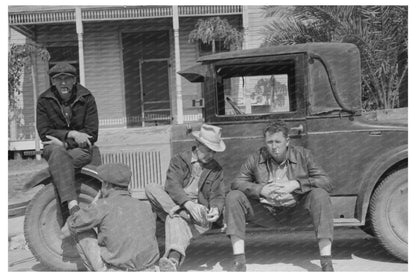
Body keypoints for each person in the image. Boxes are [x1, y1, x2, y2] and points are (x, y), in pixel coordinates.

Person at [225, 120, 334, 271]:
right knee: (233, 196)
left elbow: (327, 182)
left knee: (320, 195)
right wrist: (261, 189)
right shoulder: (255, 158)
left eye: (278, 141)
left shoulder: (303, 155)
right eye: (270, 142)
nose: (274, 146)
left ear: (287, 141)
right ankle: (239, 262)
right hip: (266, 212)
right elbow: (236, 183)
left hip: (296, 211)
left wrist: (296, 184)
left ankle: (326, 262)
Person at [145, 124, 227, 271]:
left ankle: (173, 261)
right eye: (208, 150)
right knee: (151, 187)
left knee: (173, 217)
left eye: (214, 151)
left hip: (199, 216)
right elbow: (172, 186)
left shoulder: (216, 169)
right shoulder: (179, 160)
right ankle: (182, 215)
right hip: (180, 206)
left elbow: (218, 195)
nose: (211, 155)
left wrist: (215, 209)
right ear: (198, 144)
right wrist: (188, 205)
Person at [36, 62, 99, 230]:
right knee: (56, 153)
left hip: (80, 150)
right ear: (53, 82)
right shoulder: (44, 100)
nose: (63, 83)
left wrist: (64, 143)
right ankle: (73, 207)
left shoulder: (86, 98)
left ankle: (66, 223)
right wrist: (72, 134)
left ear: (74, 80)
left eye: (67, 79)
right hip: (53, 147)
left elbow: (92, 133)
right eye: (59, 79)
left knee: (59, 162)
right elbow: (44, 132)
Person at [67, 163, 160, 271]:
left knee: (80, 230)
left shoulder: (103, 205)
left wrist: (94, 202)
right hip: (150, 269)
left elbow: (74, 223)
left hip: (119, 271)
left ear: (106, 185)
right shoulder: (145, 207)